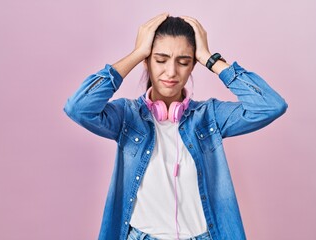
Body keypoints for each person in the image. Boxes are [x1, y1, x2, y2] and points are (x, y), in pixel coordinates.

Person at [64, 13, 288, 240]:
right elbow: (78, 107)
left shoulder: (210, 116)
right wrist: (136, 53)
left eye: (183, 62)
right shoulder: (126, 117)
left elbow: (271, 105)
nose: (171, 72)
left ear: (192, 66)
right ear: (147, 62)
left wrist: (209, 58)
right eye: (160, 60)